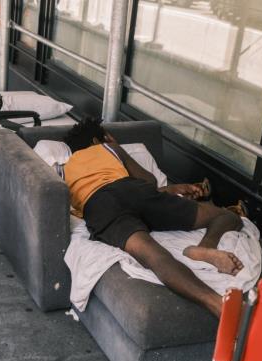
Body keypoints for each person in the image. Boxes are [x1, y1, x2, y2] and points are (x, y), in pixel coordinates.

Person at [61, 118, 244, 317]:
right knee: (226, 216)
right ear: (99, 139)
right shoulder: (108, 148)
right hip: (133, 191)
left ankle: (216, 304)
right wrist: (164, 194)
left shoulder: (64, 169)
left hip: (99, 206)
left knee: (153, 256)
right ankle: (205, 247)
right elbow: (149, 180)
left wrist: (170, 191)